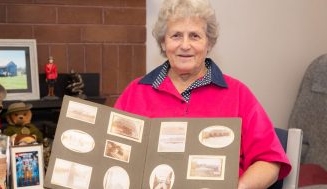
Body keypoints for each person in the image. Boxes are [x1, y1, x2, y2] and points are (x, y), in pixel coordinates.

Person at [114, 0, 291, 188]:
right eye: (176, 36)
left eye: (194, 36)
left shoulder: (238, 94)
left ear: (209, 43)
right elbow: (112, 154)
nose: (185, 45)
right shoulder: (135, 92)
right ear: (163, 43)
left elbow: (270, 161)